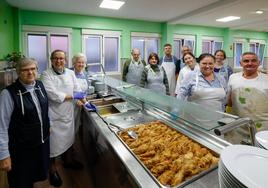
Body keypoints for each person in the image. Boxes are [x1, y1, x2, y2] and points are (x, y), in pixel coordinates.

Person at [0, 58, 50, 188]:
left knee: (32, 177)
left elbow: (44, 109)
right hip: (20, 150)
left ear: (37, 70)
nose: (30, 72)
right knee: (20, 181)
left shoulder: (40, 85)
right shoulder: (8, 93)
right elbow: (2, 126)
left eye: (33, 69)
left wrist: (48, 125)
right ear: (18, 73)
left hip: (39, 144)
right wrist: (4, 155)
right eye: (25, 70)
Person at [41, 50, 85, 187]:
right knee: (53, 147)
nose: (59, 61)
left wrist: (83, 99)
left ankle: (68, 161)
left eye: (61, 58)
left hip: (68, 114)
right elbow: (52, 94)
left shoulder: (71, 73)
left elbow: (77, 89)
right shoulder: (46, 74)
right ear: (51, 60)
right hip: (54, 115)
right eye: (56, 58)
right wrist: (73, 96)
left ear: (65, 60)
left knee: (69, 140)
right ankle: (52, 171)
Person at [227, 52, 268, 131]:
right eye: (246, 61)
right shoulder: (233, 77)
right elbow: (230, 101)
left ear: (259, 63)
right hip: (237, 124)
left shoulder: (266, 79)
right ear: (241, 63)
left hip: (262, 126)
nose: (250, 63)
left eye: (253, 60)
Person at [71, 53, 90, 133]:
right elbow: (67, 90)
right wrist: (76, 100)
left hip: (81, 103)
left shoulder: (85, 74)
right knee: (70, 125)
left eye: (83, 62)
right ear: (74, 63)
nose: (81, 64)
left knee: (77, 124)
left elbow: (86, 89)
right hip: (70, 105)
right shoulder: (69, 73)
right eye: (79, 62)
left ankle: (74, 141)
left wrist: (84, 99)